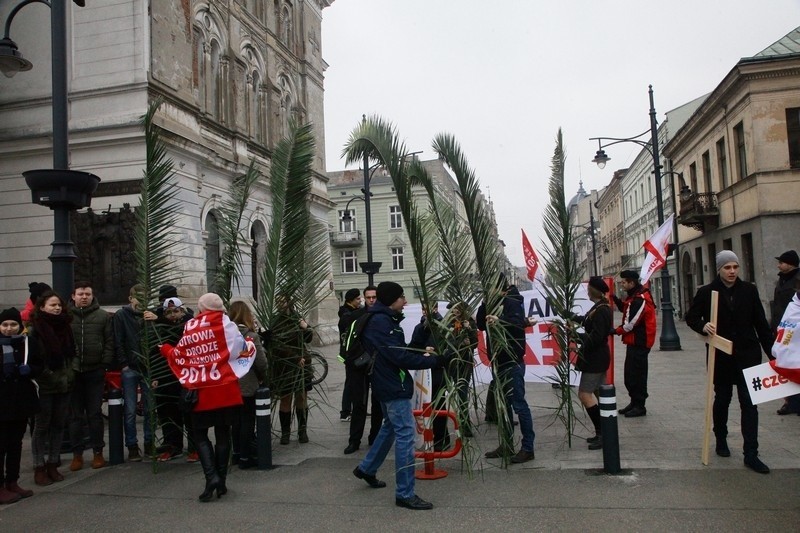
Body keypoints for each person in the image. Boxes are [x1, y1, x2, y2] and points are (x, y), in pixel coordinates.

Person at [353, 281, 447, 510]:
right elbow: (401, 358)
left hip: (387, 383)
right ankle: (405, 493)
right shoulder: (381, 323)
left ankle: (367, 468)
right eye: (402, 297)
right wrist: (435, 361)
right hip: (392, 386)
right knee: (405, 433)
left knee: (391, 427)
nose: (405, 301)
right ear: (391, 300)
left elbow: (401, 351)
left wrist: (423, 331)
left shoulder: (384, 320)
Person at [685, 250, 774, 474]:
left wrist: (774, 354)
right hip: (721, 356)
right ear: (719, 269)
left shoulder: (749, 290)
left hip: (748, 355)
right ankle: (721, 439)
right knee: (722, 399)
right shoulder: (707, 292)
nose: (732, 271)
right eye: (727, 267)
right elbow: (692, 317)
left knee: (750, 403)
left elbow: (761, 324)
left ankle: (751, 453)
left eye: (735, 267)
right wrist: (703, 326)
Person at [160, 293, 246, 502]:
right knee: (223, 435)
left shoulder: (191, 327)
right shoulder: (229, 326)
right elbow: (240, 350)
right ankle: (221, 481)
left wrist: (165, 349)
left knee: (199, 435)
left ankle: (211, 477)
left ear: (201, 308)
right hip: (226, 389)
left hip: (202, 390)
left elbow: (181, 355)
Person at [477, 274, 536, 464]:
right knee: (504, 407)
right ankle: (507, 444)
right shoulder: (493, 302)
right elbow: (480, 324)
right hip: (498, 361)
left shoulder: (511, 301)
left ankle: (528, 448)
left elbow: (518, 323)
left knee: (519, 405)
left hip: (512, 361)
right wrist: (485, 303)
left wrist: (499, 320)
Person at [28, 291, 75, 486]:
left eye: (59, 305)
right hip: (46, 385)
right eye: (52, 305)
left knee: (58, 425)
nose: (57, 308)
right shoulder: (36, 330)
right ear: (42, 307)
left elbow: (72, 353)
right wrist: (47, 375)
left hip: (64, 383)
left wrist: (70, 374)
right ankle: (39, 466)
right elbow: (33, 359)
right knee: (41, 427)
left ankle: (53, 464)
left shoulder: (66, 326)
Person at [67, 281, 114, 472]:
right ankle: (77, 454)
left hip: (95, 371)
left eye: (87, 294)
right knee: (75, 416)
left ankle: (98, 452)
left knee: (95, 414)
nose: (84, 297)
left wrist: (105, 362)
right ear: (73, 296)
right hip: (74, 372)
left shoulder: (102, 316)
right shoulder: (66, 317)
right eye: (80, 294)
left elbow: (109, 340)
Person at [0, 307, 41, 503]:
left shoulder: (28, 343)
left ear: (20, 325)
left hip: (21, 400)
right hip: (2, 401)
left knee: (16, 443)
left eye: (13, 324)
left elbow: (40, 365)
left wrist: (30, 369)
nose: (9, 328)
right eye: (5, 324)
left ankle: (12, 481)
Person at [151, 297, 195, 462]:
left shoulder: (190, 327)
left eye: (175, 311)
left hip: (185, 377)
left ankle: (194, 447)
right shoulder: (158, 329)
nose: (172, 315)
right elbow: (153, 352)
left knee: (189, 414)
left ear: (182, 311)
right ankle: (172, 446)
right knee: (167, 415)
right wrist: (155, 375)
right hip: (165, 376)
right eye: (168, 312)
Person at [570, 277, 612, 450]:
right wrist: (572, 317)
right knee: (600, 394)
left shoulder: (602, 310)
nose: (587, 290)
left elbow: (597, 336)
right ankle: (605, 432)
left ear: (594, 290)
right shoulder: (599, 307)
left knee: (585, 395)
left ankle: (603, 433)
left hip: (595, 358)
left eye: (589, 288)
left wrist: (576, 336)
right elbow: (588, 322)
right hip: (597, 357)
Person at [113, 284, 154, 461]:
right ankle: (132, 445)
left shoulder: (150, 316)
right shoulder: (122, 315)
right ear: (131, 299)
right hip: (130, 367)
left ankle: (149, 443)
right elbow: (118, 339)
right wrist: (124, 364)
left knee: (150, 408)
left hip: (148, 368)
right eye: (139, 297)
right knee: (129, 409)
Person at [343, 285, 383, 454]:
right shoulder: (356, 316)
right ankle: (354, 440)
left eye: (374, 297)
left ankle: (374, 437)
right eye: (368, 297)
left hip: (379, 365)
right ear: (364, 298)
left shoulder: (383, 316)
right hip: (359, 365)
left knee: (378, 403)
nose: (371, 300)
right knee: (358, 403)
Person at [269, 295, 313, 445]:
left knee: (301, 397)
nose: (280, 304)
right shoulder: (275, 320)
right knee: (285, 398)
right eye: (278, 301)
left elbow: (308, 338)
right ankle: (285, 433)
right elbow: (276, 344)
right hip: (285, 366)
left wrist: (306, 327)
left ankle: (302, 431)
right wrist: (294, 357)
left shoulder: (297, 318)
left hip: (303, 365)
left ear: (289, 302)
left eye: (283, 301)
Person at [229, 301, 268, 469]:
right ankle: (246, 457)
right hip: (247, 384)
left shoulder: (225, 335)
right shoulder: (250, 336)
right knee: (247, 421)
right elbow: (261, 363)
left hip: (229, 384)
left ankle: (236, 454)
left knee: (235, 422)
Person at [612, 270, 656, 418]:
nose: (622, 284)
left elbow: (631, 323)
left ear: (631, 283)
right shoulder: (634, 297)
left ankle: (640, 405)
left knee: (637, 374)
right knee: (630, 374)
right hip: (634, 342)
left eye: (624, 282)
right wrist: (613, 297)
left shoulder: (640, 299)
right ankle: (634, 401)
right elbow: (625, 308)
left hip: (640, 342)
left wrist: (614, 331)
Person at [409, 302, 449, 450]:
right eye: (423, 308)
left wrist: (437, 353)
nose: (425, 311)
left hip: (437, 371)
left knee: (439, 405)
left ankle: (441, 439)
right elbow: (413, 347)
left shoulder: (443, 327)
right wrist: (422, 350)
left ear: (436, 309)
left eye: (428, 308)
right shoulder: (419, 328)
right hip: (423, 372)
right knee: (423, 405)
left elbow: (449, 349)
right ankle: (424, 436)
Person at [770, 250, 800, 415]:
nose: (778, 265)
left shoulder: (797, 280)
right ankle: (790, 401)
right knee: (784, 366)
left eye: (781, 262)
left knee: (796, 366)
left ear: (791, 264)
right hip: (782, 328)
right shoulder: (781, 279)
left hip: (796, 333)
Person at [444, 301, 478, 438]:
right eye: (452, 309)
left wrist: (469, 329)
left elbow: (474, 343)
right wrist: (460, 343)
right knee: (443, 392)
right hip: (450, 362)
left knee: (462, 394)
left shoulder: (470, 323)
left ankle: (465, 425)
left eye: (457, 309)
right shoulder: (448, 323)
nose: (454, 312)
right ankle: (441, 429)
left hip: (464, 363)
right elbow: (446, 341)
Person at [337, 288, 361, 422]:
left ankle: (354, 408)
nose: (360, 301)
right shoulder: (346, 314)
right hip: (350, 353)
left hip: (353, 352)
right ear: (350, 301)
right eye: (358, 299)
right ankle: (345, 411)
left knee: (354, 382)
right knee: (350, 382)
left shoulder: (351, 311)